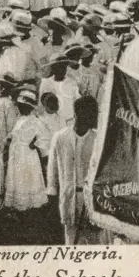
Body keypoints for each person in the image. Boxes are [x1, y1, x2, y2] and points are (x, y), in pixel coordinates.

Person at [47, 95, 99, 245]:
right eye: (92, 113)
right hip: (69, 199)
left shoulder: (97, 139)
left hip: (92, 202)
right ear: (80, 113)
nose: (95, 117)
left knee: (95, 244)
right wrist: (52, 196)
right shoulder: (60, 138)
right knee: (71, 243)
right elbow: (53, 170)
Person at [3, 89, 51, 212]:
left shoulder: (35, 121)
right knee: (16, 177)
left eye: (22, 106)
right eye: (19, 106)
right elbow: (15, 132)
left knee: (26, 178)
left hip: (27, 155)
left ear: (29, 107)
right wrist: (9, 138)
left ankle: (27, 204)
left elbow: (46, 137)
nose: (19, 108)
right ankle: (18, 204)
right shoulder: (20, 119)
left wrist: (35, 144)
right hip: (16, 153)